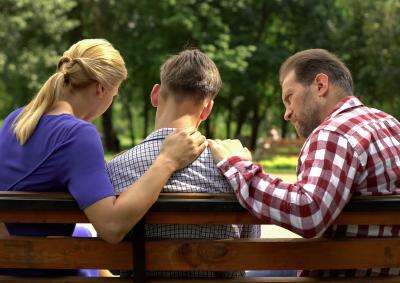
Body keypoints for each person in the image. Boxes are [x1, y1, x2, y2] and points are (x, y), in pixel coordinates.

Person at [0, 39, 206, 276]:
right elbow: (112, 227)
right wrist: (167, 160)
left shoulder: (16, 120)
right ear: (100, 89)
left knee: (84, 235)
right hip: (34, 266)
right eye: (114, 95)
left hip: (10, 256)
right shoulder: (77, 134)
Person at [208, 48, 400, 277]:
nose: (286, 114)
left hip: (343, 274)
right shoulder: (389, 123)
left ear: (320, 85)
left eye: (289, 98)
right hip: (387, 272)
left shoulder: (334, 133)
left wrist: (237, 165)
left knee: (247, 276)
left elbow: (308, 211)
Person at [106, 49, 260, 278]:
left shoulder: (116, 168)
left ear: (156, 94)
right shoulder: (233, 169)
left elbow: (115, 264)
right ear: (207, 108)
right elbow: (247, 253)